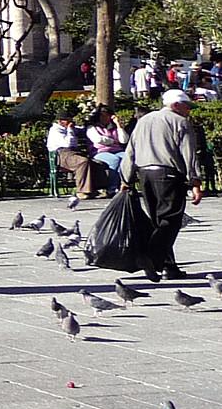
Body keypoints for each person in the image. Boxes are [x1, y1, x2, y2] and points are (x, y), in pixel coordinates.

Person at [120, 89, 206, 280]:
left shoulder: (144, 120)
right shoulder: (180, 122)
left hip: (144, 175)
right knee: (171, 220)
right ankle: (152, 257)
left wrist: (126, 178)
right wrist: (195, 182)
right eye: (186, 106)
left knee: (157, 220)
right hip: (167, 174)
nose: (188, 111)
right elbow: (189, 154)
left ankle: (168, 266)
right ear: (175, 105)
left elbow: (130, 151)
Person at [47, 110, 99, 198]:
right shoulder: (55, 131)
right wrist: (70, 130)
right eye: (68, 120)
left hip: (74, 153)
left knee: (96, 163)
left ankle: (95, 189)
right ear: (60, 121)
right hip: (61, 155)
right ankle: (81, 191)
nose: (70, 122)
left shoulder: (69, 128)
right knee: (83, 162)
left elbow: (82, 130)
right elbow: (67, 144)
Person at [85, 108, 127, 190]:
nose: (105, 118)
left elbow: (124, 140)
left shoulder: (114, 128)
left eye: (107, 115)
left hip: (117, 151)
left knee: (127, 158)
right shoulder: (92, 128)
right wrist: (112, 141)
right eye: (102, 116)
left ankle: (124, 184)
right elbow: (98, 139)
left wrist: (118, 125)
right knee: (114, 160)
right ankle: (112, 187)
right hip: (99, 152)